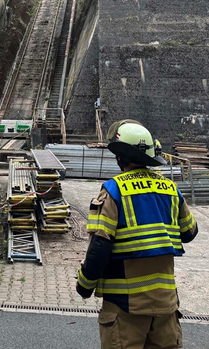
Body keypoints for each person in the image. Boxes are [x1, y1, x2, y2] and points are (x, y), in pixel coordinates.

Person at [76, 120, 198, 349]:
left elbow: (99, 248)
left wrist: (84, 285)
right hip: (166, 307)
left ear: (120, 157)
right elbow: (190, 232)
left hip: (125, 308)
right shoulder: (171, 189)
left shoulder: (113, 191)